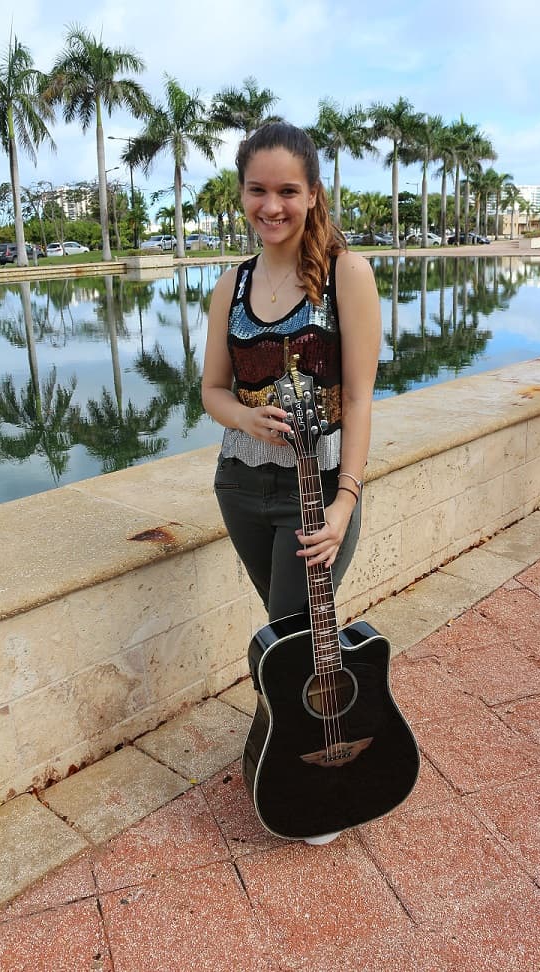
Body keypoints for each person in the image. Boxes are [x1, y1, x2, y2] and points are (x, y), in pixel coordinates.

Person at [202, 125, 381, 843]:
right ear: (242, 193)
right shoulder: (232, 284)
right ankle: (289, 751)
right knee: (287, 637)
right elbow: (212, 391)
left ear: (312, 195)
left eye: (286, 190)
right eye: (258, 190)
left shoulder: (346, 274)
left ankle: (300, 769)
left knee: (294, 634)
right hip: (242, 487)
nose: (271, 206)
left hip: (321, 491)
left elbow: (361, 398)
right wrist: (247, 420)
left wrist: (346, 502)